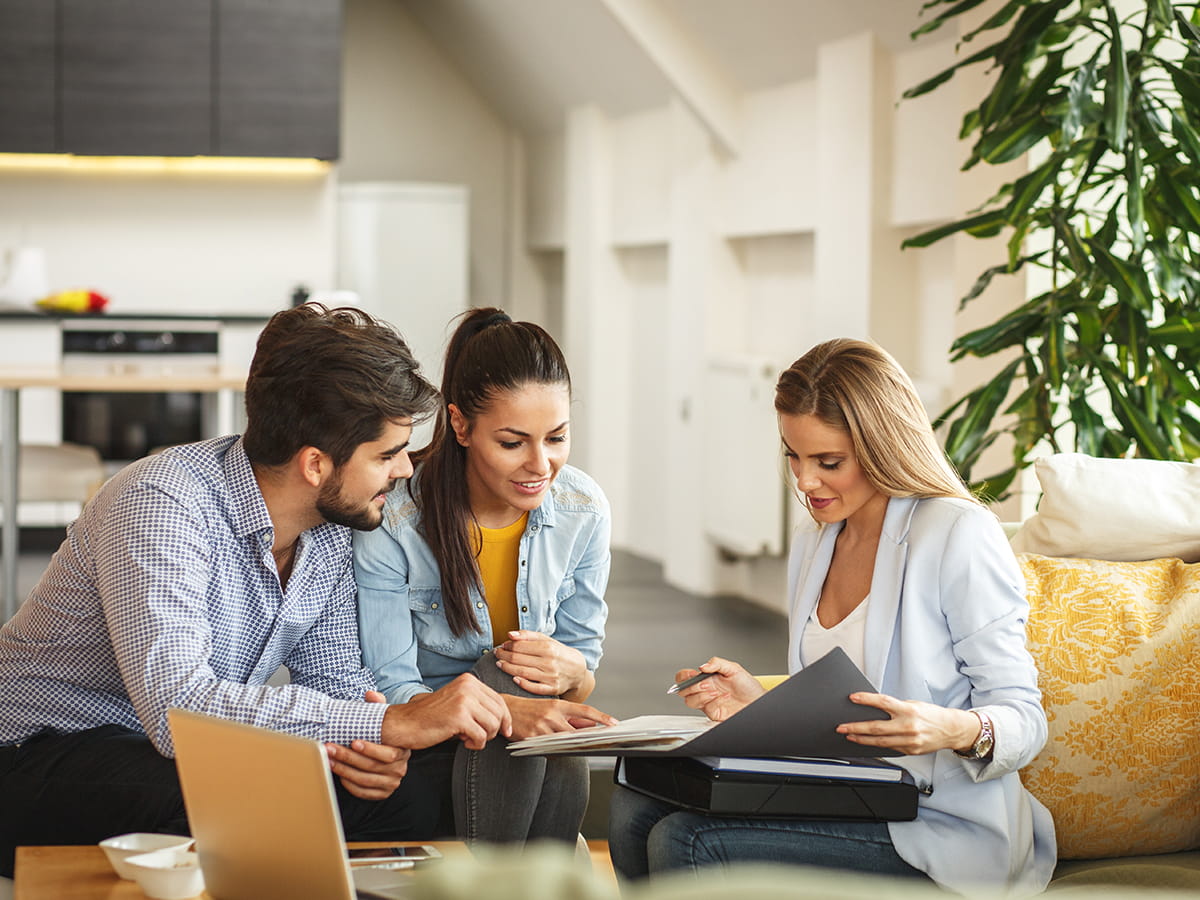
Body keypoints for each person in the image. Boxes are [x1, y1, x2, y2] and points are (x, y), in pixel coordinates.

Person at [0, 304, 512, 877]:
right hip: (35, 753)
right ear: (315, 464)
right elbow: (178, 708)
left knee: (401, 798)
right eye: (387, 455)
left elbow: (339, 685)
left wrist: (368, 753)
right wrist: (388, 724)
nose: (404, 472)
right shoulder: (160, 504)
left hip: (180, 753)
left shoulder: (329, 532)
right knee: (219, 800)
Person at [608, 338, 1056, 894]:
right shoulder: (816, 540)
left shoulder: (957, 534)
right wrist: (760, 702)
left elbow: (1025, 721)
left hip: (938, 825)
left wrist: (951, 729)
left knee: (687, 839)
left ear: (883, 446)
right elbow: (841, 705)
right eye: (793, 455)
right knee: (633, 808)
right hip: (846, 796)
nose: (804, 481)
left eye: (829, 462)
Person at [353, 307, 616, 846]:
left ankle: (519, 880)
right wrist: (506, 709)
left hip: (531, 741)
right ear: (461, 425)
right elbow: (391, 686)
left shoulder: (583, 509)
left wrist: (570, 672)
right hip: (433, 740)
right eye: (513, 442)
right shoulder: (396, 519)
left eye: (557, 438)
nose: (541, 464)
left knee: (538, 699)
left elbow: (581, 676)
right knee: (500, 676)